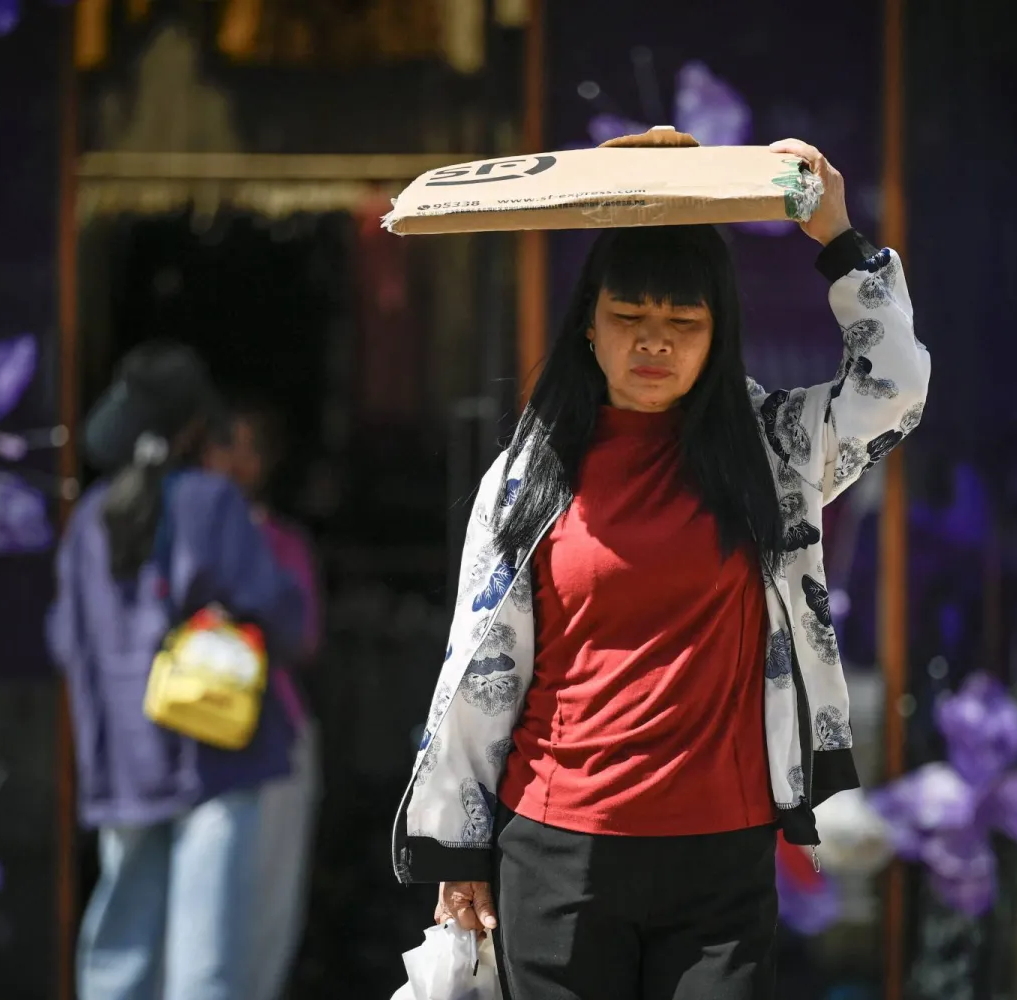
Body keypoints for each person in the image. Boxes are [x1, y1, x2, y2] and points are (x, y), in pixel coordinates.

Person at [390, 139, 931, 999]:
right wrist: (459, 849)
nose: (654, 344)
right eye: (629, 319)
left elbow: (894, 387)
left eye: (683, 325)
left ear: (717, 337)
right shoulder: (528, 475)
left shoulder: (774, 453)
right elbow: (480, 669)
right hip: (558, 854)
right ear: (589, 328)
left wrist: (836, 236)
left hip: (725, 856)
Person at [47, 342, 307, 1000]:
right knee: (206, 965)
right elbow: (286, 617)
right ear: (194, 427)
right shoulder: (211, 503)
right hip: (215, 755)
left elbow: (62, 640)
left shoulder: (88, 521)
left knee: (119, 957)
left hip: (122, 762)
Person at [204, 397, 324, 1000]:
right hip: (191, 737)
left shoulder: (283, 540)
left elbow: (303, 637)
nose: (238, 460)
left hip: (275, 729)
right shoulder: (173, 529)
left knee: (269, 901)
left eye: (253, 446)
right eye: (226, 442)